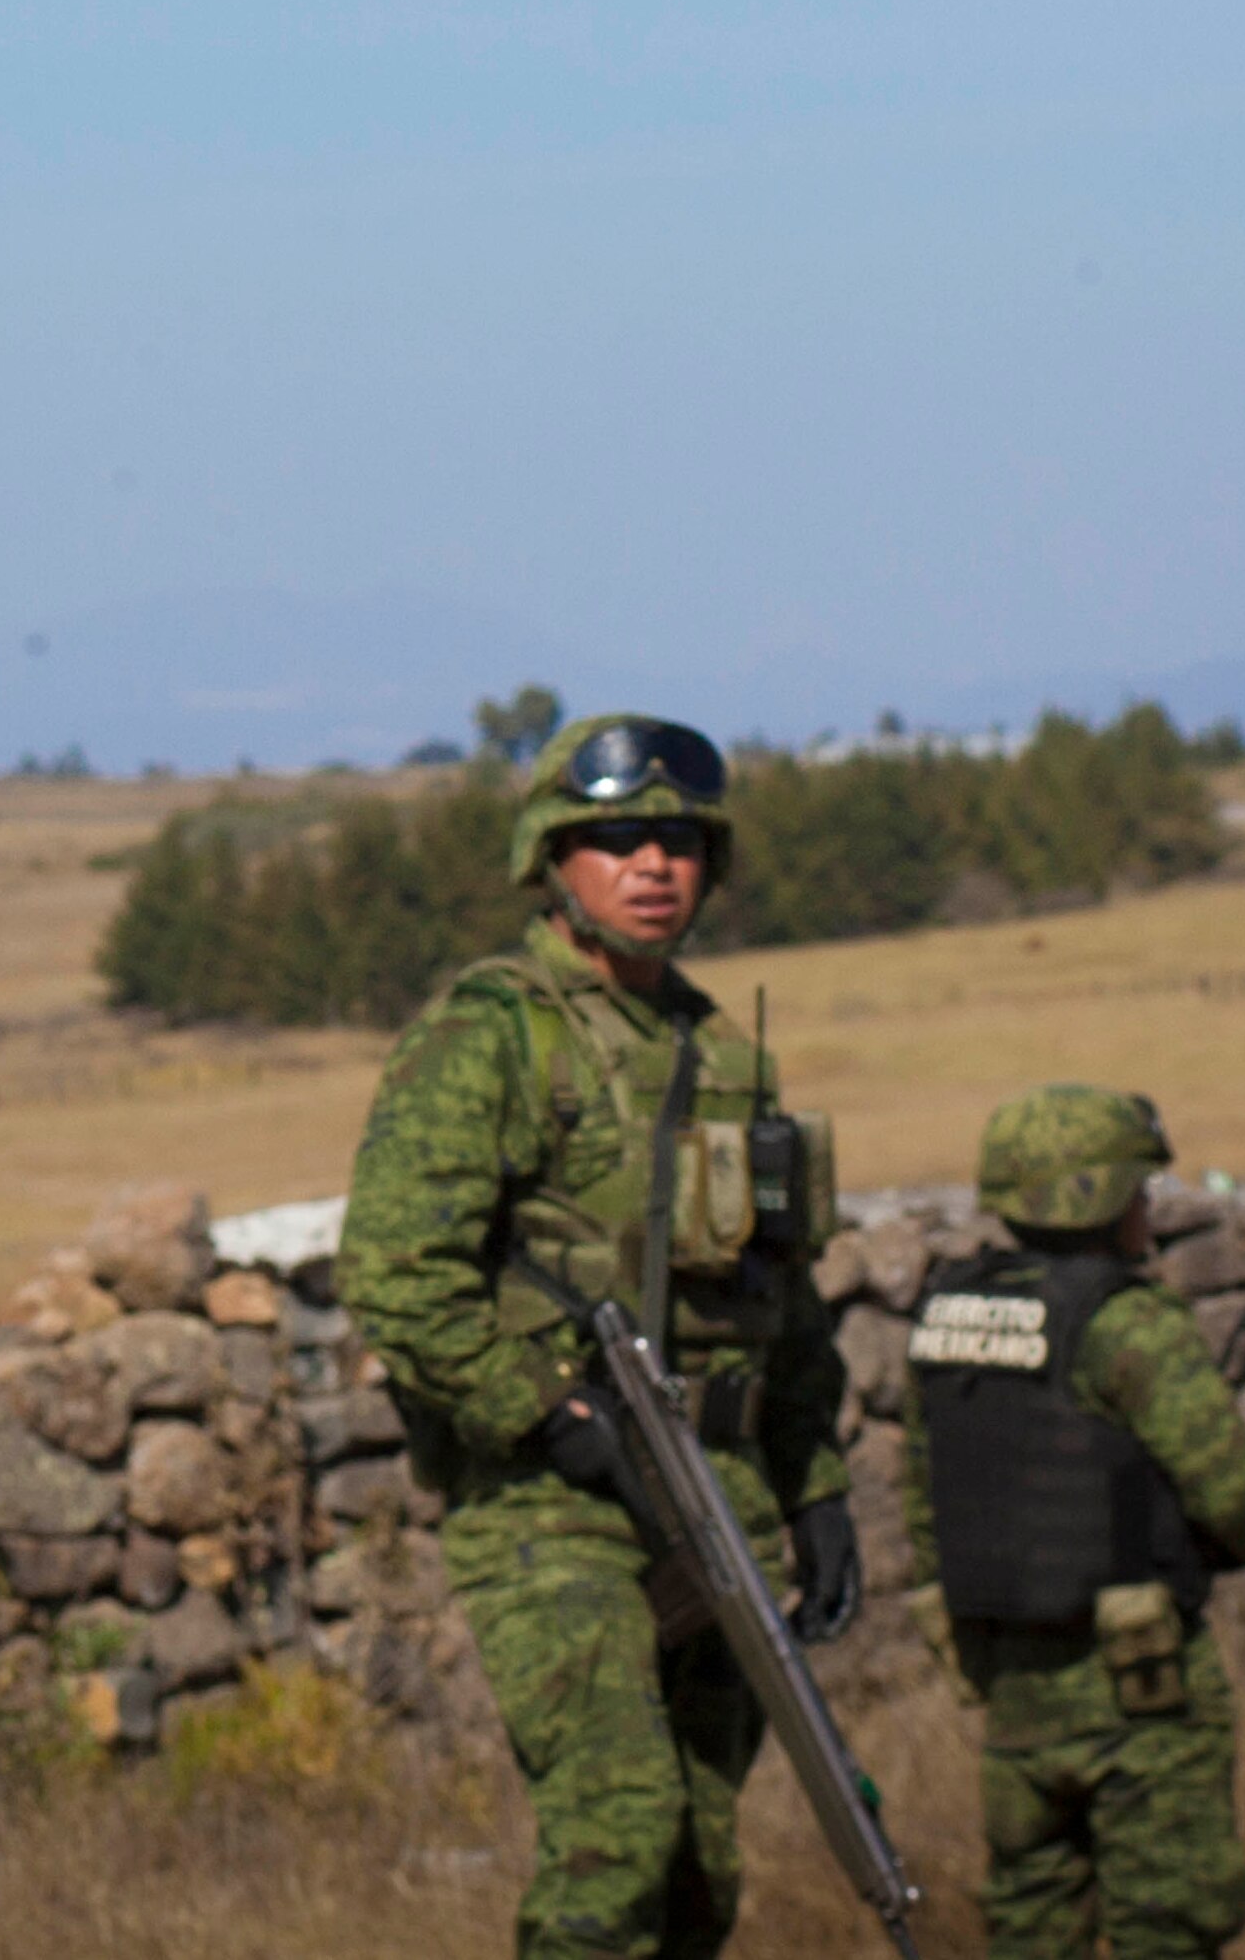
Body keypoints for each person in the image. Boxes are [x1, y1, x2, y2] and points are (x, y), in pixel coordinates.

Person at [342, 714, 861, 1960]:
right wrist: (539, 1413)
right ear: (552, 859)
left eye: (679, 841)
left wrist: (818, 1486)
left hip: (713, 1494)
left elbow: (777, 1305)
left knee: (697, 1859)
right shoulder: (491, 1036)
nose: (651, 865)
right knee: (615, 1828)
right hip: (550, 1504)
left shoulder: (722, 1054)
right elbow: (394, 1274)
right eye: (616, 838)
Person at [900, 1085, 1245, 1960]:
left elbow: (925, 1496)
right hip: (1139, 1688)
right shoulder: (1126, 1321)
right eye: (1139, 1190)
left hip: (1015, 1700)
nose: (1149, 1208)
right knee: (1171, 1926)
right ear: (1105, 1198)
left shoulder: (945, 1316)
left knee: (1031, 1927)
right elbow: (1239, 1499)